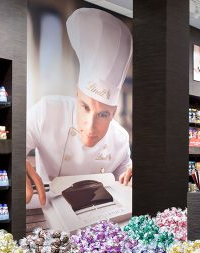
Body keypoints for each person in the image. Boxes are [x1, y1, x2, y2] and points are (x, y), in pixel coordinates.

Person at [26, 7, 133, 207]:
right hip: (48, 211)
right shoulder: (47, 111)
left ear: (114, 113)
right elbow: (10, 144)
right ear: (76, 94)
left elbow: (126, 181)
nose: (90, 126)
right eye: (85, 107)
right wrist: (16, 162)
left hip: (99, 216)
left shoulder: (120, 139)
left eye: (103, 114)